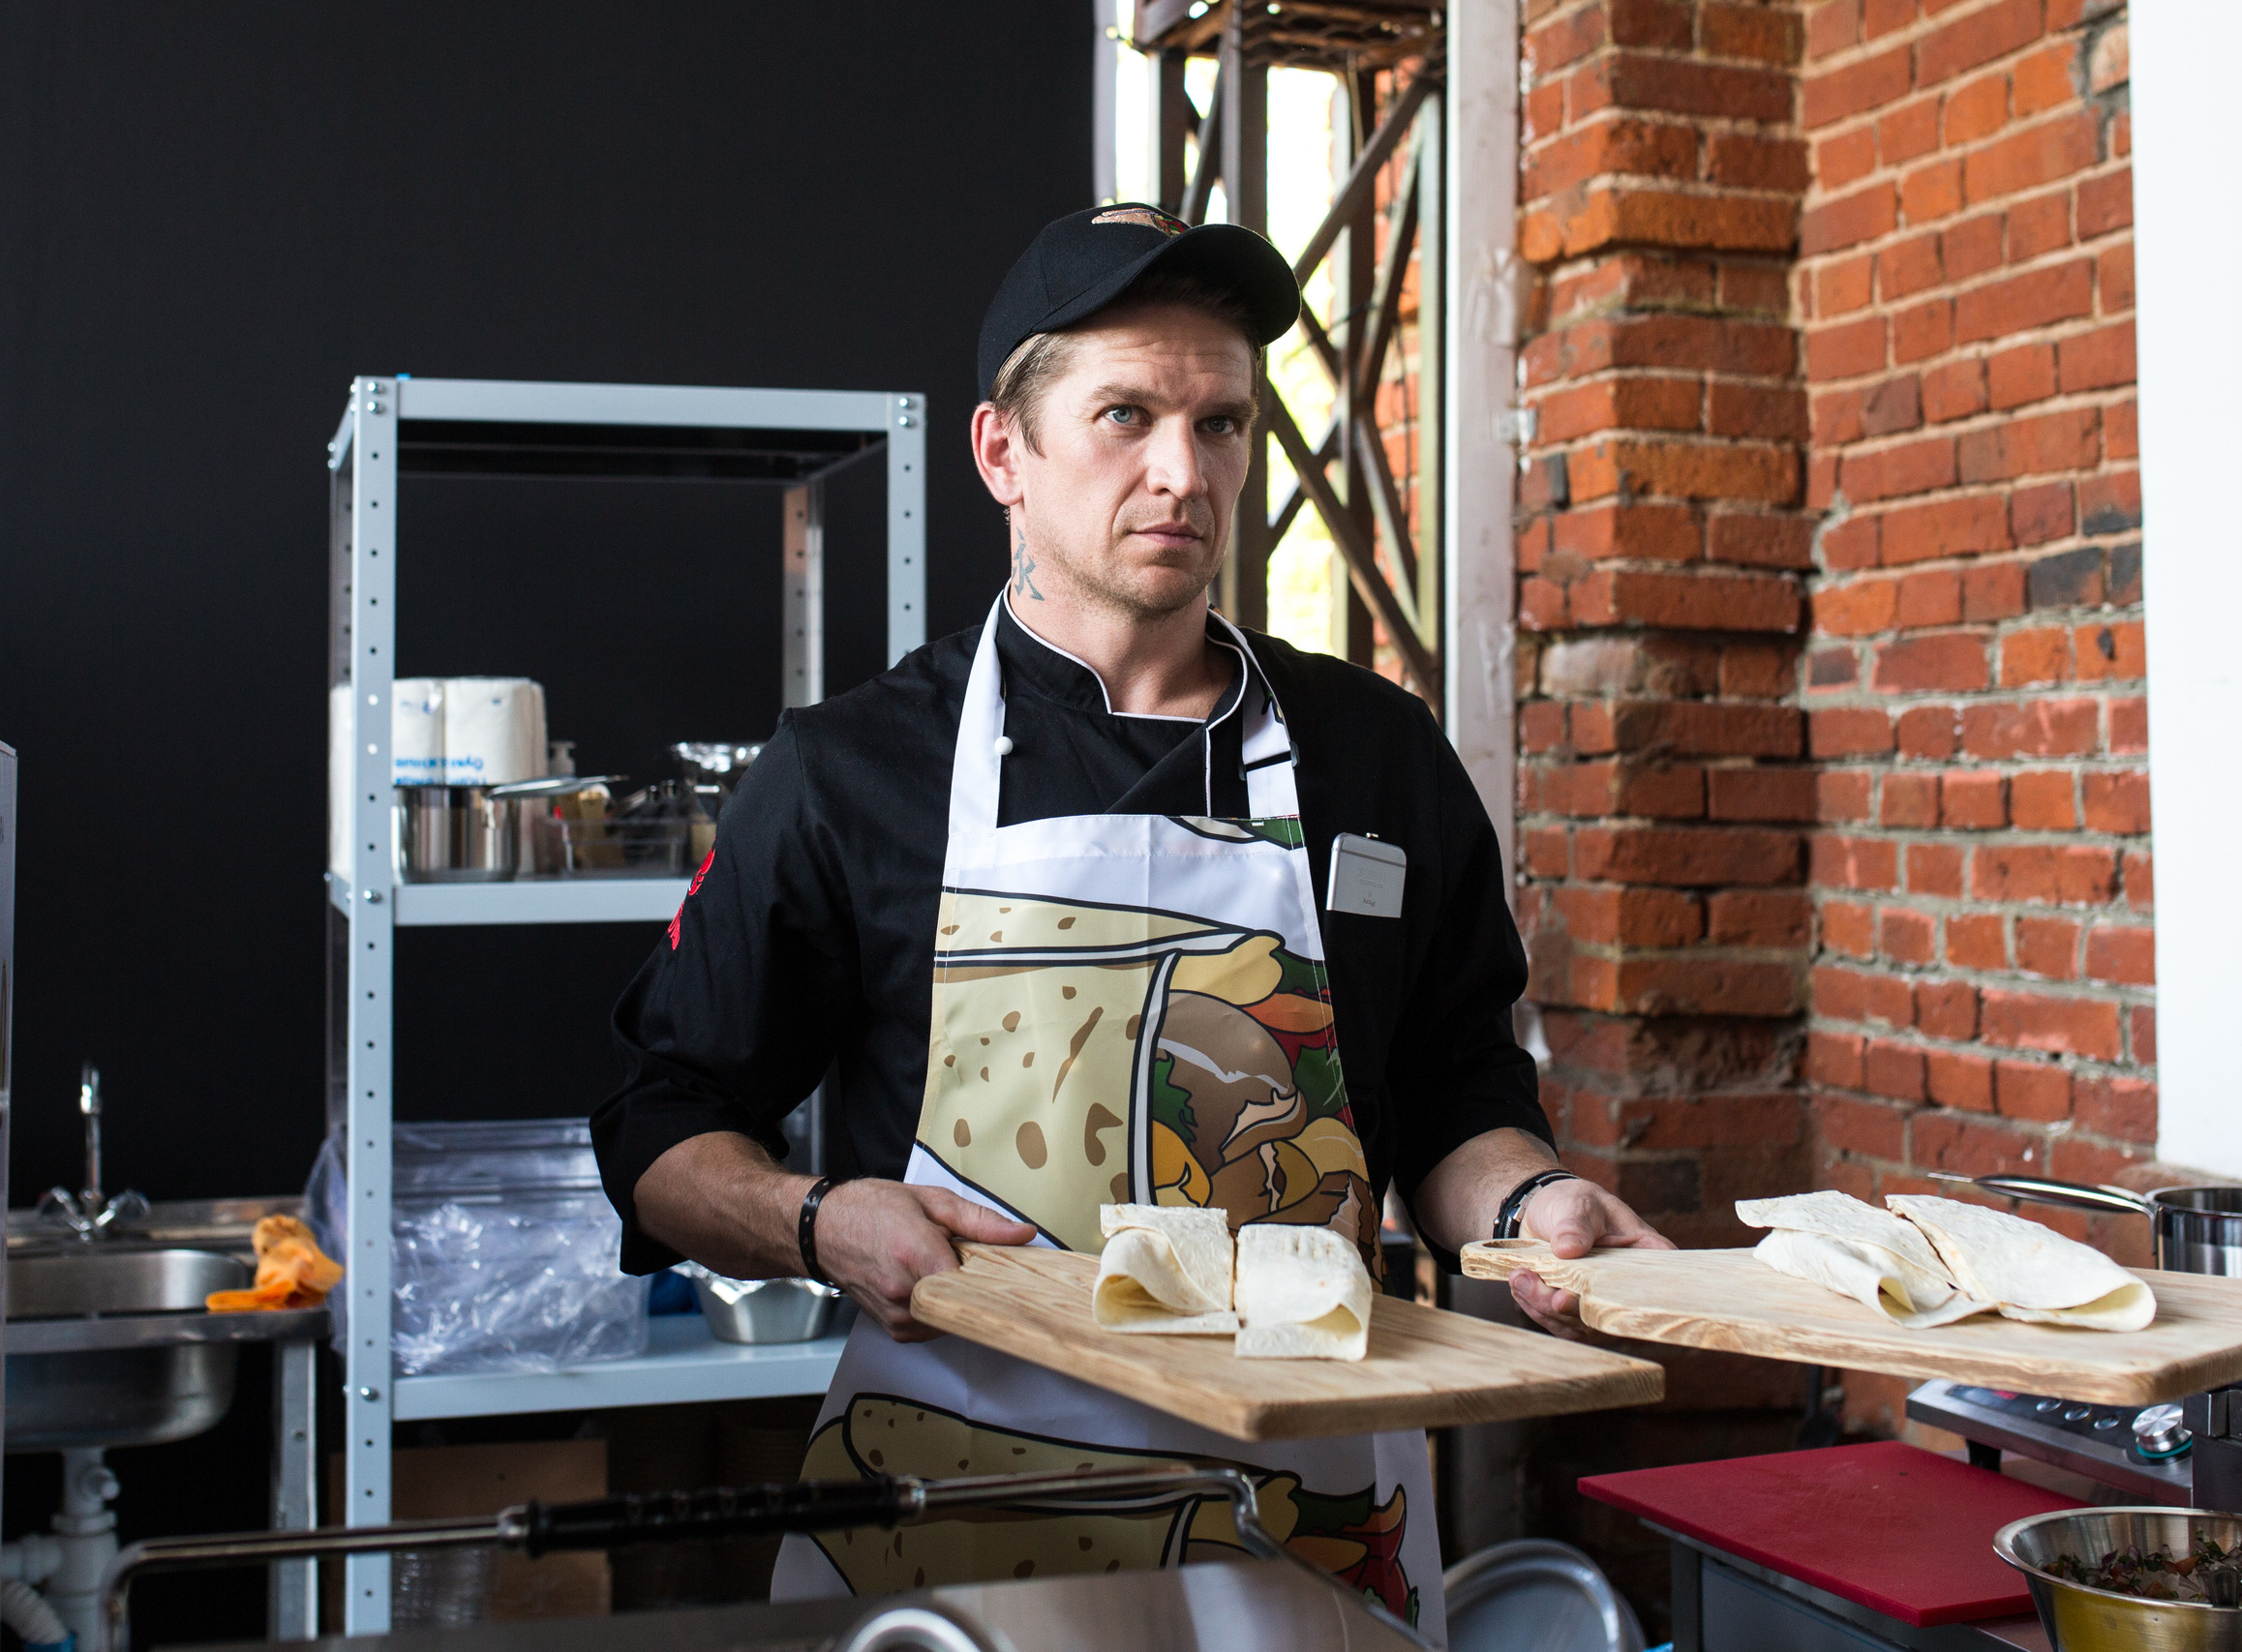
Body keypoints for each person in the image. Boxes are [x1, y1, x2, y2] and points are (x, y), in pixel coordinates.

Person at [591, 201, 1671, 1627]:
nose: (1184, 471)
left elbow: (1451, 1092)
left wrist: (1531, 1202)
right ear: (1004, 454)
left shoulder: (1377, 755)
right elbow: (661, 1126)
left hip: (1308, 1520)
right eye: (1125, 415)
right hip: (962, 1516)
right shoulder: (855, 771)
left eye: (1221, 423)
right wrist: (814, 1220)